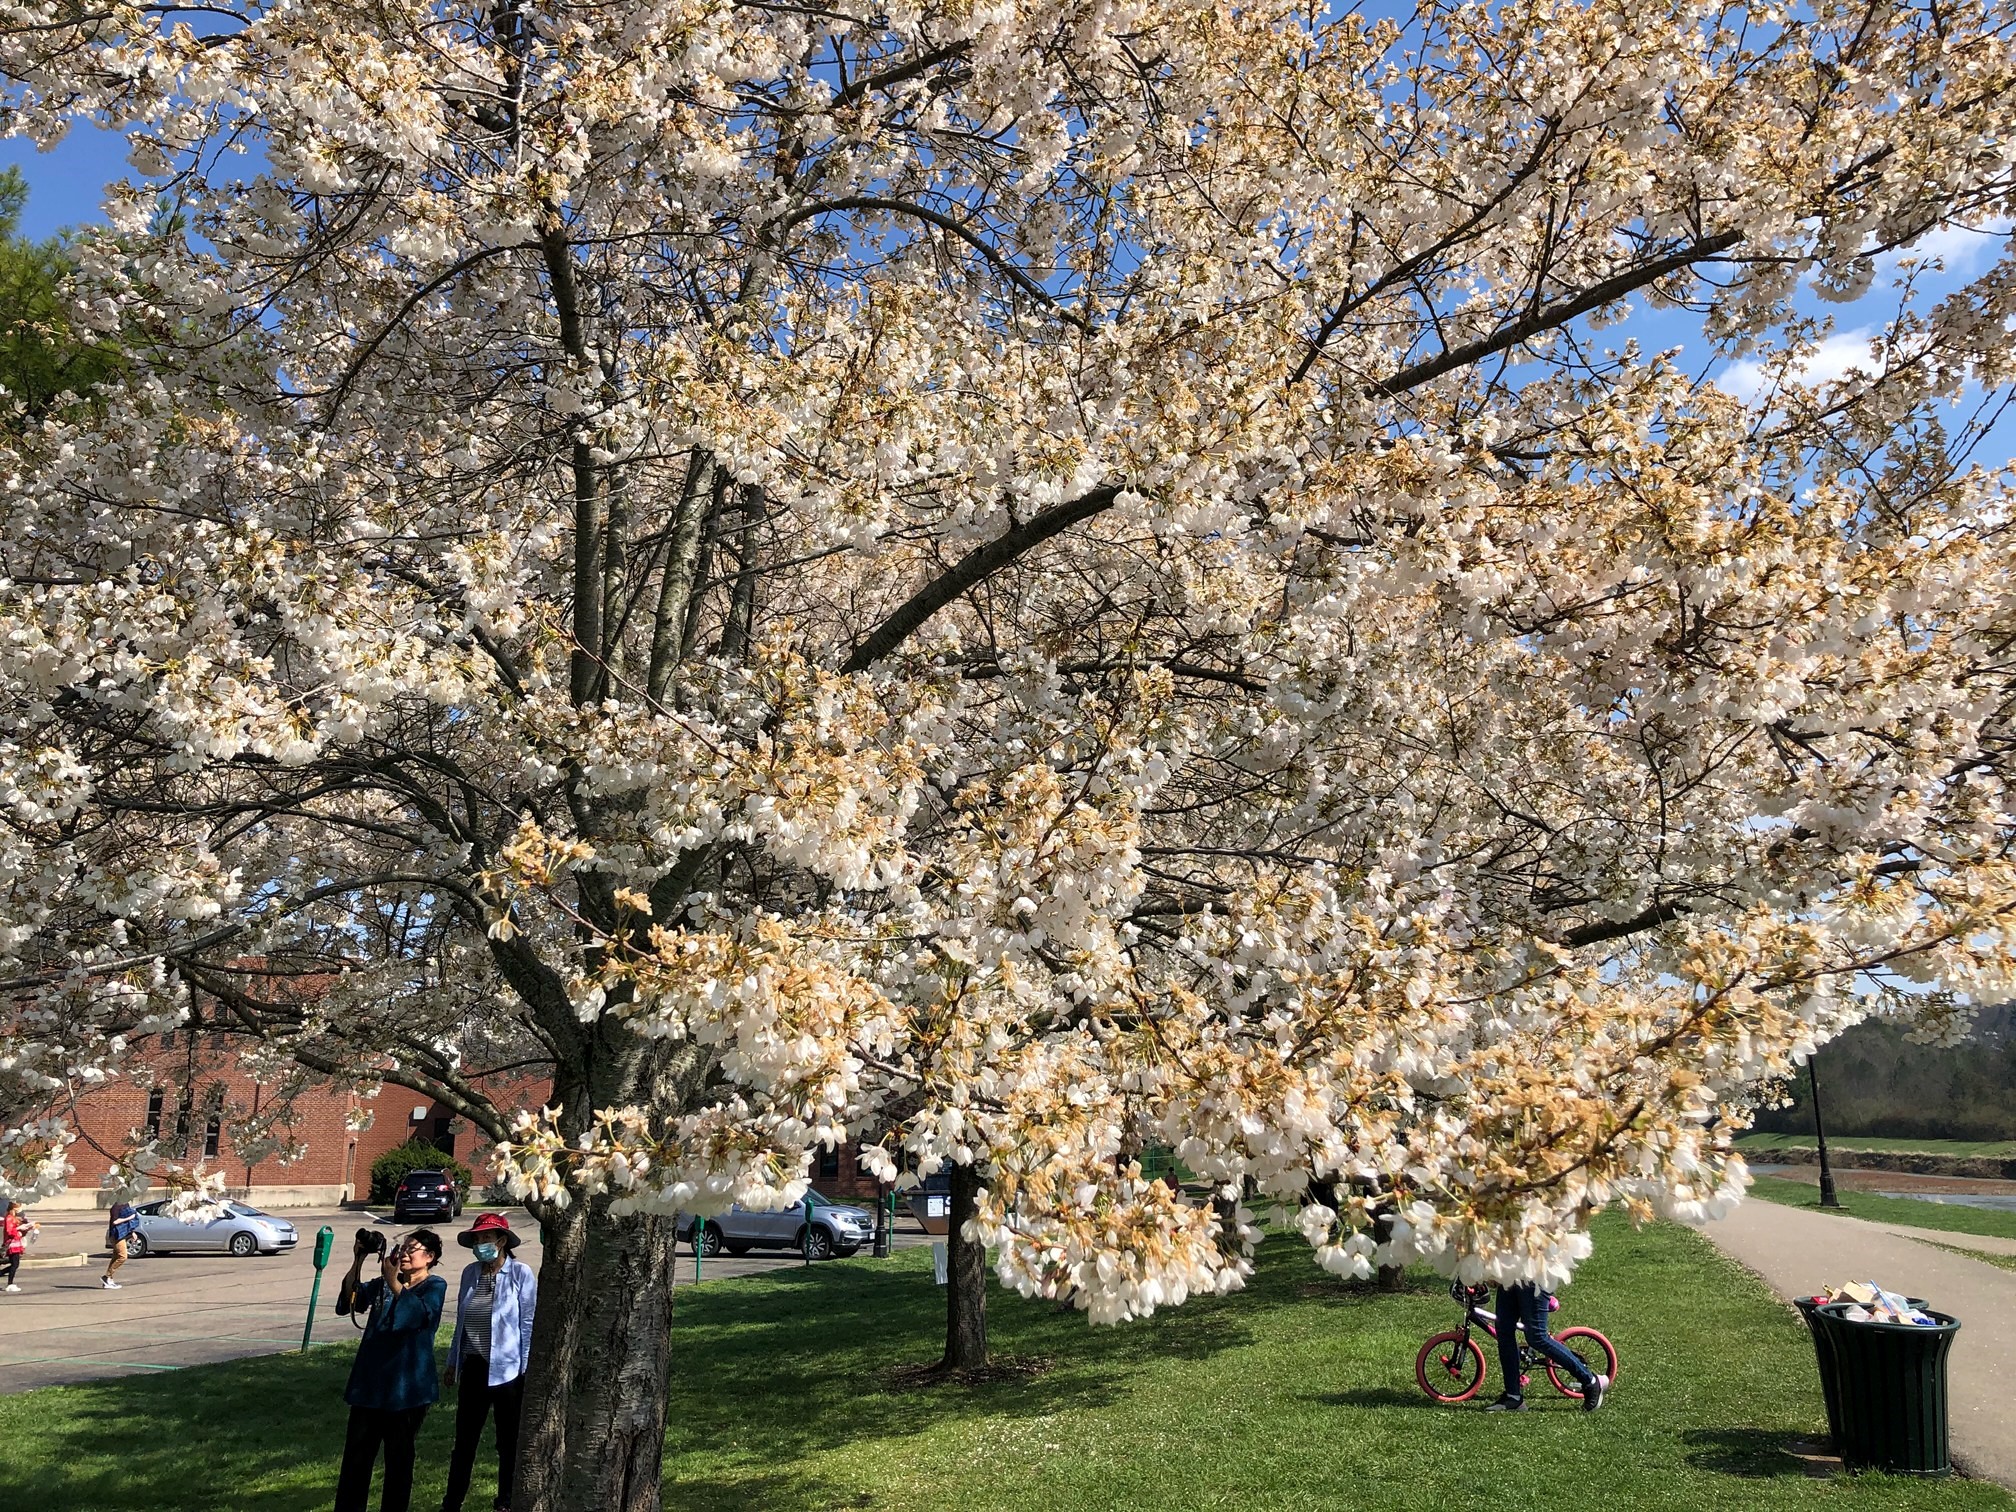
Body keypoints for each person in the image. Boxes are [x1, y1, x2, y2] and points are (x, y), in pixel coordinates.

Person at [335, 1229, 448, 1512]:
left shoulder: (434, 1286)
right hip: (369, 1387)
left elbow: (420, 1316)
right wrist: (358, 1260)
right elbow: (349, 1302)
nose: (405, 1254)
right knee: (355, 1461)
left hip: (406, 1390)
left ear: (430, 1257)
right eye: (403, 1248)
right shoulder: (385, 1284)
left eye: (413, 1249)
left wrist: (393, 1282)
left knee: (398, 1463)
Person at [441, 1213, 537, 1512]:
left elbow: (528, 1321)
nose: (481, 1244)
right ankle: (452, 1502)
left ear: (502, 1241)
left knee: (507, 1442)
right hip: (474, 1366)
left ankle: (505, 1500)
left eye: (486, 1238)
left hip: (508, 1370)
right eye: (477, 1239)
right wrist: (453, 1361)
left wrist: (523, 1368)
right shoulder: (471, 1273)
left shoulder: (520, 1273)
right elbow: (462, 1320)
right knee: (465, 1442)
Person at [1485, 1282, 1608, 1413]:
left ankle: (1591, 1381)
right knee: (1504, 1332)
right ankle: (1513, 1397)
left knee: (1537, 1337)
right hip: (1510, 1274)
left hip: (1534, 1273)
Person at [102, 1199, 139, 1289]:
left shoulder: (126, 1204)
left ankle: (108, 1281)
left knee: (115, 1257)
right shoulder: (116, 1207)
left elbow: (129, 1223)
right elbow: (115, 1222)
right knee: (123, 1256)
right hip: (116, 1235)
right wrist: (129, 1218)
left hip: (122, 1234)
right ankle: (106, 1276)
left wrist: (132, 1232)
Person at [3, 1200, 38, 1292]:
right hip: (12, 1244)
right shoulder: (9, 1218)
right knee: (15, 1264)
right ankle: (10, 1284)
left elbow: (21, 1228)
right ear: (13, 1209)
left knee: (14, 1264)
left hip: (16, 1243)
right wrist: (18, 1231)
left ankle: (7, 1280)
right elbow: (9, 1231)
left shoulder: (14, 1218)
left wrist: (28, 1227)